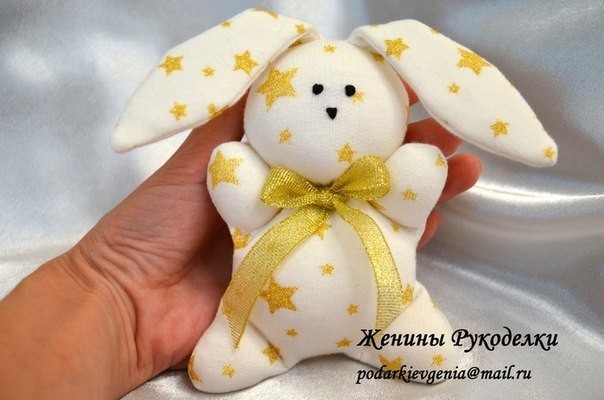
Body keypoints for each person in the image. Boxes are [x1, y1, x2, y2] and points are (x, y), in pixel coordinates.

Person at [0, 87, 482, 399]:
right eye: (314, 91)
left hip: (386, 320)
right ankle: (256, 343)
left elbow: (413, 189)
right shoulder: (275, 188)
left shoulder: (377, 185)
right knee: (218, 364)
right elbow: (245, 202)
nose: (331, 105)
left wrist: (415, 173)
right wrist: (113, 287)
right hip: (260, 331)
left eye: (350, 93)